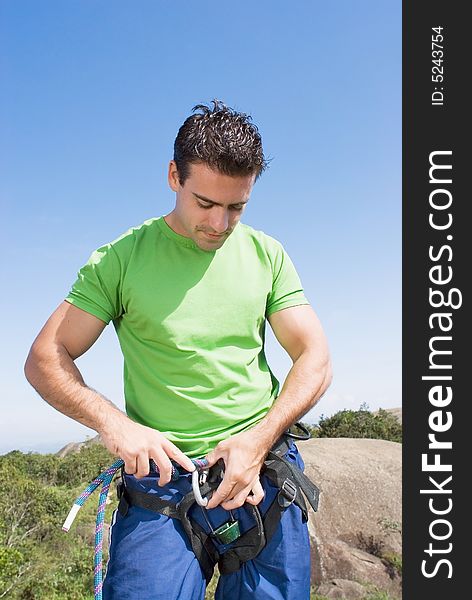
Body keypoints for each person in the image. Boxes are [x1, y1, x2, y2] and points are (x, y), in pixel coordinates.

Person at [24, 100, 332, 600]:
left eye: (237, 207)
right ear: (174, 176)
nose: (220, 223)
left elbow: (315, 356)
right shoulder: (121, 259)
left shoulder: (266, 254)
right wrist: (116, 426)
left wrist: (257, 442)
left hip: (258, 473)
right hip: (163, 484)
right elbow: (45, 357)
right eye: (205, 203)